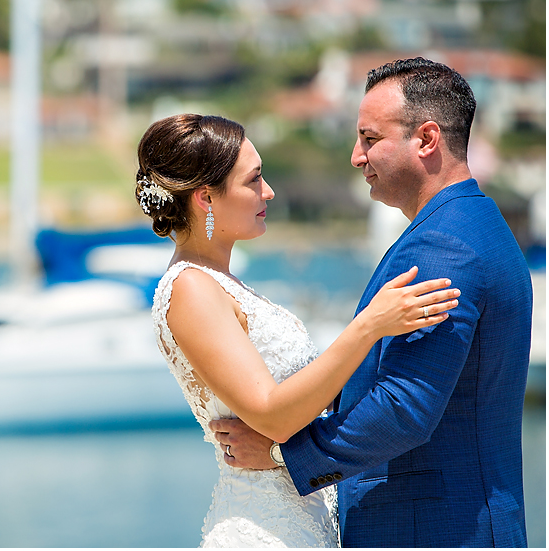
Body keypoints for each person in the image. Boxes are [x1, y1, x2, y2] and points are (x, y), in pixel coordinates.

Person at [209, 58, 533, 547]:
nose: (357, 156)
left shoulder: (445, 246)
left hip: (436, 531)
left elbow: (404, 407)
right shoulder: (471, 225)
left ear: (426, 140)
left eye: (369, 138)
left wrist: (280, 455)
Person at [137, 113, 461, 547]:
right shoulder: (191, 288)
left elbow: (300, 400)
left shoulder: (221, 281)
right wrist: (370, 325)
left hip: (301, 516)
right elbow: (272, 414)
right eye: (253, 180)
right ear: (205, 198)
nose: (267, 191)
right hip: (262, 529)